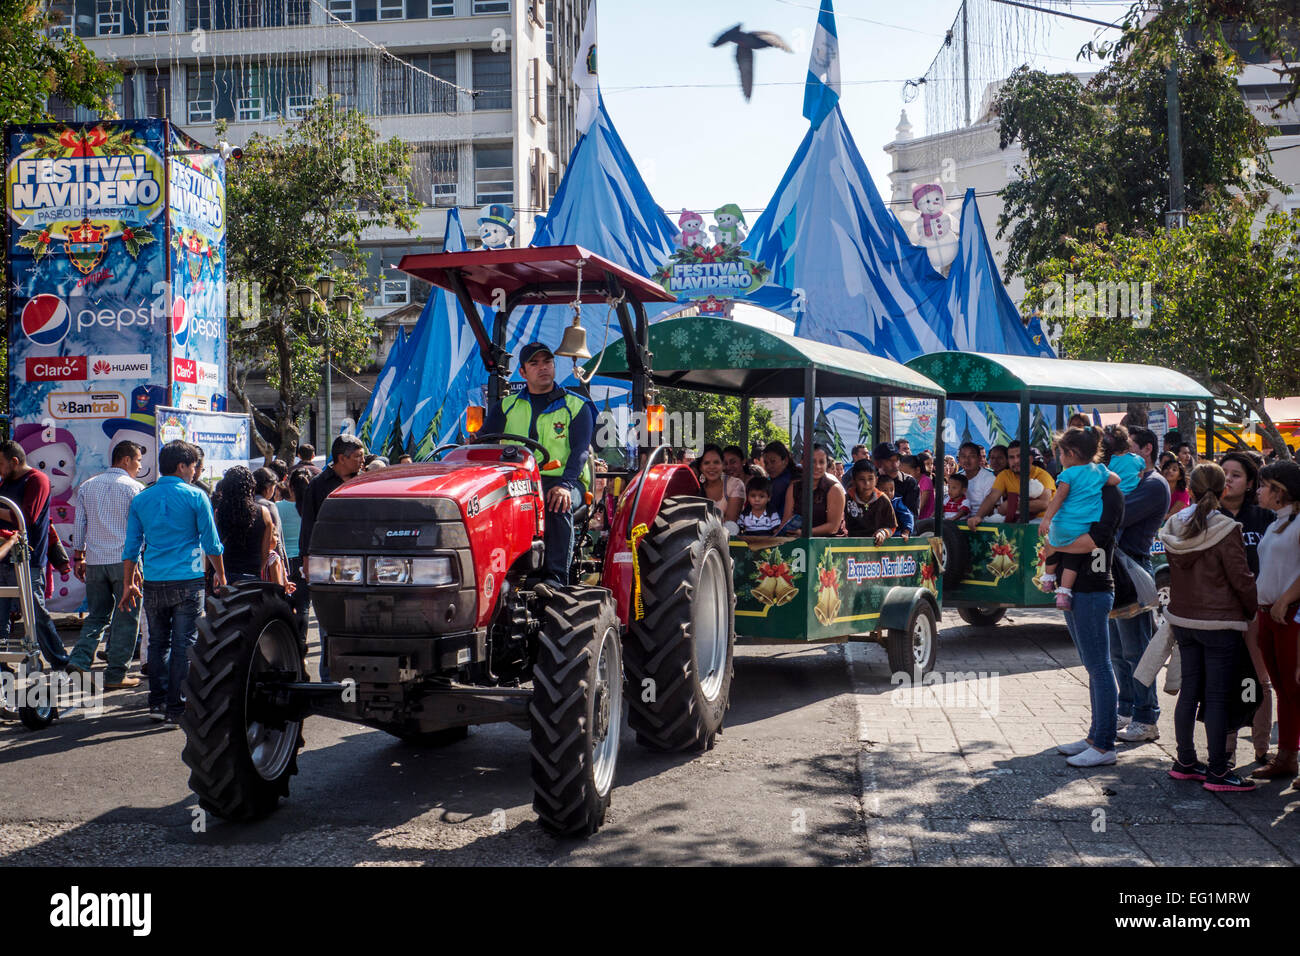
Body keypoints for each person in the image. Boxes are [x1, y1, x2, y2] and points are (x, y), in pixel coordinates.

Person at [1158, 463, 1259, 792]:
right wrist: (1250, 610)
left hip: (1183, 620)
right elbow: (1241, 579)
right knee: (1216, 696)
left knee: (1189, 692)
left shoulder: (1174, 524)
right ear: (1223, 491)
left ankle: (1185, 760)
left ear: (1190, 489)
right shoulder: (1226, 527)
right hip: (1219, 621)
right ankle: (1218, 770)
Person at [119, 441, 226, 724]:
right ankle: (176, 707)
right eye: (192, 467)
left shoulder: (142, 498)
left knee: (157, 644)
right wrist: (221, 577)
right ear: (181, 466)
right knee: (184, 645)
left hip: (153, 581)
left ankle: (156, 702)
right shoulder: (196, 496)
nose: (194, 472)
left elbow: (131, 547)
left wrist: (128, 583)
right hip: (188, 581)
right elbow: (212, 544)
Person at [480, 341, 596, 588]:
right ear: (522, 372)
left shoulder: (576, 407)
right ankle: (494, 576)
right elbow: (482, 444)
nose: (543, 368)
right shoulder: (505, 407)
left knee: (556, 503)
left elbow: (579, 453)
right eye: (535, 363)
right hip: (517, 481)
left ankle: (555, 578)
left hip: (564, 480)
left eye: (548, 362)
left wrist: (566, 484)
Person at [1054, 477, 1126, 768]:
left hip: (1094, 589)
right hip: (1072, 589)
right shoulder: (1076, 490)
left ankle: (1105, 744)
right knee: (1092, 665)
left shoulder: (1109, 493)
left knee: (1099, 666)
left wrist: (1058, 542)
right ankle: (1094, 737)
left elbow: (1093, 542)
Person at [65, 441, 146, 688]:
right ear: (125, 460)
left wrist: (79, 556)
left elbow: (79, 525)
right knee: (126, 618)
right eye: (138, 460)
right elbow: (142, 528)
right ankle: (115, 675)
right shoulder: (135, 489)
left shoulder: (87, 487)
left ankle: (79, 659)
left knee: (97, 615)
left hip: (95, 562)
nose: (139, 466)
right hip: (126, 563)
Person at [1109, 425, 1171, 743]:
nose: (1120, 454)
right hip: (1113, 568)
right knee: (1117, 650)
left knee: (1136, 650)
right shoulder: (1132, 481)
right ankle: (1127, 708)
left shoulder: (1154, 484)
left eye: (1127, 447)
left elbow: (1114, 515)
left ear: (1146, 449)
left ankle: (1146, 717)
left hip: (1131, 568)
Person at [1217, 451, 1275, 764]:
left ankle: (1262, 748)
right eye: (1223, 472)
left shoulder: (1263, 516)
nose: (1228, 478)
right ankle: (1226, 751)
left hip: (1258, 610)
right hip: (1220, 613)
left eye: (1236, 474)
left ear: (1251, 481)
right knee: (1226, 680)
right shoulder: (1208, 515)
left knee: (1258, 679)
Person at [299, 434, 367, 679]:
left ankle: (359, 674)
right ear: (342, 458)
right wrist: (306, 560)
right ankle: (330, 676)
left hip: (364, 563)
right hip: (330, 562)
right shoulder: (318, 485)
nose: (362, 461)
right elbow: (308, 524)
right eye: (358, 456)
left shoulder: (365, 480)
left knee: (361, 619)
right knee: (331, 621)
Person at [0, 440, 70, 667]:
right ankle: (2, 663)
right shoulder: (6, 482)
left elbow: (28, 518)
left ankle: (60, 662)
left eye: (1, 464)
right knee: (1, 618)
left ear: (14, 461)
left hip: (27, 560)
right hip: (4, 558)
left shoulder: (37, 480)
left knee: (36, 616)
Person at [1251, 461, 1300, 784]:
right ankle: (1286, 756)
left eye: (1264, 484)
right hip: (1269, 615)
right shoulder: (1277, 523)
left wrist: (1284, 599)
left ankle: (1287, 756)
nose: (1259, 491)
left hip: (1290, 616)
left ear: (1280, 491)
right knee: (1283, 689)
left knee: (1294, 688)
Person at [1038, 427, 1119, 610]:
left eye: (1060, 453)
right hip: (1082, 527)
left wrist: (1046, 519)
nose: (1060, 458)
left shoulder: (1068, 474)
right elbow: (1116, 480)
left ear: (1071, 454)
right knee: (1072, 561)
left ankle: (1048, 580)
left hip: (1062, 525)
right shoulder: (1099, 471)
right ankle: (1064, 594)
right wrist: (1100, 478)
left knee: (1053, 548)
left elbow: (1058, 498)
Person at [967, 440, 1056, 527]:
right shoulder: (1004, 475)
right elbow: (991, 498)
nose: (1015, 461)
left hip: (1042, 521)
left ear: (1030, 459)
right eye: (1011, 457)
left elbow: (1044, 504)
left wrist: (1013, 505)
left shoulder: (1042, 475)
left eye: (1019, 456)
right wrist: (978, 517)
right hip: (1016, 521)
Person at [218, 467, 277, 585]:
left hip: (226, 575)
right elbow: (266, 551)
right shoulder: (264, 512)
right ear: (251, 487)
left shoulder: (219, 513)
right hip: (252, 575)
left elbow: (215, 546)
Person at [781, 444, 846, 536]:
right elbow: (786, 521)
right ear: (802, 463)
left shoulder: (834, 489)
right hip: (800, 542)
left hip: (831, 544)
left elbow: (833, 527)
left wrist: (804, 533)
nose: (817, 466)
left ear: (827, 464)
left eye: (821, 462)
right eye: (812, 462)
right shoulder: (794, 487)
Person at [843, 460, 897, 544]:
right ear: (854, 481)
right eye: (861, 479)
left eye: (870, 479)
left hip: (876, 547)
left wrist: (883, 533)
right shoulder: (846, 499)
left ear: (876, 480)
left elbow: (892, 527)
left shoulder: (883, 500)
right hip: (851, 546)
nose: (867, 483)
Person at [695, 444, 744, 526]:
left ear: (723, 465)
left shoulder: (735, 484)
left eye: (716, 462)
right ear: (700, 467)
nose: (712, 467)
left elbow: (730, 523)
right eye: (706, 463)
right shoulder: (696, 486)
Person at [873, 442, 919, 517]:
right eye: (889, 460)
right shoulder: (871, 482)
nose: (895, 465)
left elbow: (911, 516)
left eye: (897, 460)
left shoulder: (909, 482)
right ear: (877, 463)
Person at [953, 442, 995, 517]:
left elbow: (992, 507)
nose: (967, 460)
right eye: (963, 456)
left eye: (971, 456)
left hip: (983, 522)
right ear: (959, 459)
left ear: (979, 458)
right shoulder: (957, 478)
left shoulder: (989, 478)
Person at [1102, 424, 1145, 494]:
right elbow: (1141, 475)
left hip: (1116, 498)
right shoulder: (1138, 459)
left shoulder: (1108, 463)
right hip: (1133, 495)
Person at [761, 441, 799, 519]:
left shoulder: (781, 482)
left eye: (773, 461)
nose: (769, 467)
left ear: (785, 461)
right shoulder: (793, 475)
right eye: (766, 463)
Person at [901, 454, 934, 526]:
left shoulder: (926, 481)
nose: (904, 476)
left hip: (924, 522)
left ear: (918, 470)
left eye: (907, 473)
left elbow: (920, 505)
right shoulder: (907, 482)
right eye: (902, 473)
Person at [877, 475, 913, 539]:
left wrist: (906, 530)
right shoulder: (873, 501)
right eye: (885, 490)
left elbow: (907, 516)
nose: (889, 493)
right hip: (876, 533)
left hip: (894, 534)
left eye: (891, 490)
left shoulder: (896, 502)